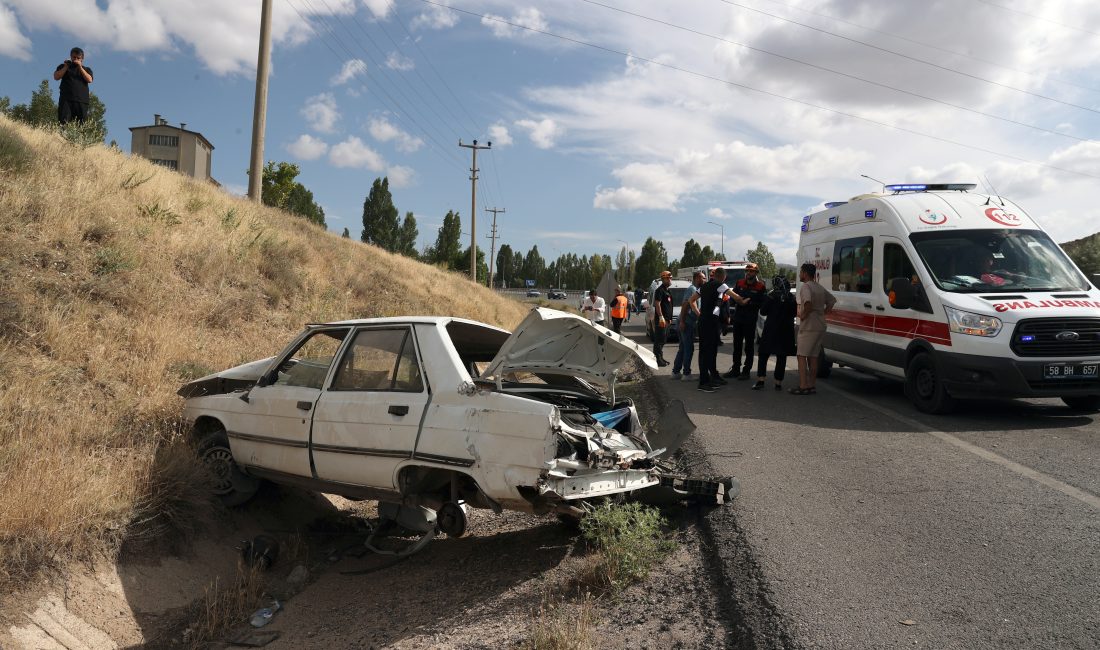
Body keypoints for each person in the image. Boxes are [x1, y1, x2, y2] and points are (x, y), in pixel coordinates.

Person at [689, 267, 746, 392]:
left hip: (706, 321)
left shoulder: (704, 286)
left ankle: (712, 377)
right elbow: (736, 297)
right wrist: (744, 300)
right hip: (710, 323)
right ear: (724, 277)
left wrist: (699, 314)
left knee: (709, 350)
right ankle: (703, 382)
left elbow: (691, 300)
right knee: (707, 351)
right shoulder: (720, 285)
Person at [790, 263, 836, 395]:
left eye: (800, 272)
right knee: (814, 356)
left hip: (809, 326)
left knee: (801, 355)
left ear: (804, 273)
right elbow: (832, 300)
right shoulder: (819, 287)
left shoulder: (806, 287)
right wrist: (823, 313)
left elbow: (808, 304)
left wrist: (803, 316)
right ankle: (811, 384)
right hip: (820, 324)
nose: (799, 275)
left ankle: (803, 385)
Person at [753, 275, 797, 391]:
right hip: (786, 330)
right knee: (781, 356)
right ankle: (778, 383)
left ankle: (761, 380)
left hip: (771, 329)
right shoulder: (791, 297)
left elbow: (763, 311)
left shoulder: (771, 296)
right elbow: (794, 313)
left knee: (763, 354)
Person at [724, 262, 767, 380]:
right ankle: (735, 369)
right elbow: (733, 297)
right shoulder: (740, 283)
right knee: (737, 346)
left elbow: (763, 304)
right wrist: (736, 302)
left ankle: (746, 371)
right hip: (738, 318)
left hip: (750, 320)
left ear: (756, 273)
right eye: (747, 271)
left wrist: (750, 303)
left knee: (749, 347)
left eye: (751, 271)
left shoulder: (760, 286)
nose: (749, 273)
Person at [671, 271, 705, 381]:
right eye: (702, 278)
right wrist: (683, 322)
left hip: (685, 322)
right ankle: (686, 374)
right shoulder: (692, 289)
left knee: (683, 348)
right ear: (696, 278)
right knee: (688, 348)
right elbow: (685, 305)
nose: (704, 280)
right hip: (687, 323)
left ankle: (676, 372)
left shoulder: (695, 290)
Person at [53, 47, 93, 125]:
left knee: (82, 126)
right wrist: (66, 66)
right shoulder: (63, 66)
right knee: (63, 123)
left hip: (82, 101)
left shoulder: (87, 69)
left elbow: (89, 80)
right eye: (74, 57)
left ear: (82, 59)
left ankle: (80, 138)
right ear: (71, 56)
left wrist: (80, 67)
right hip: (66, 100)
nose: (76, 59)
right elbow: (56, 77)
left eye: (78, 58)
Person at [652, 271, 675, 366]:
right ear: (663, 279)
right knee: (659, 340)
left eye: (670, 278)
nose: (670, 280)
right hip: (662, 320)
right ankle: (657, 359)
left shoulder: (667, 290)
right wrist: (661, 317)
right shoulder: (660, 290)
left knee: (663, 340)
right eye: (668, 278)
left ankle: (660, 357)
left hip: (667, 320)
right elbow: (657, 304)